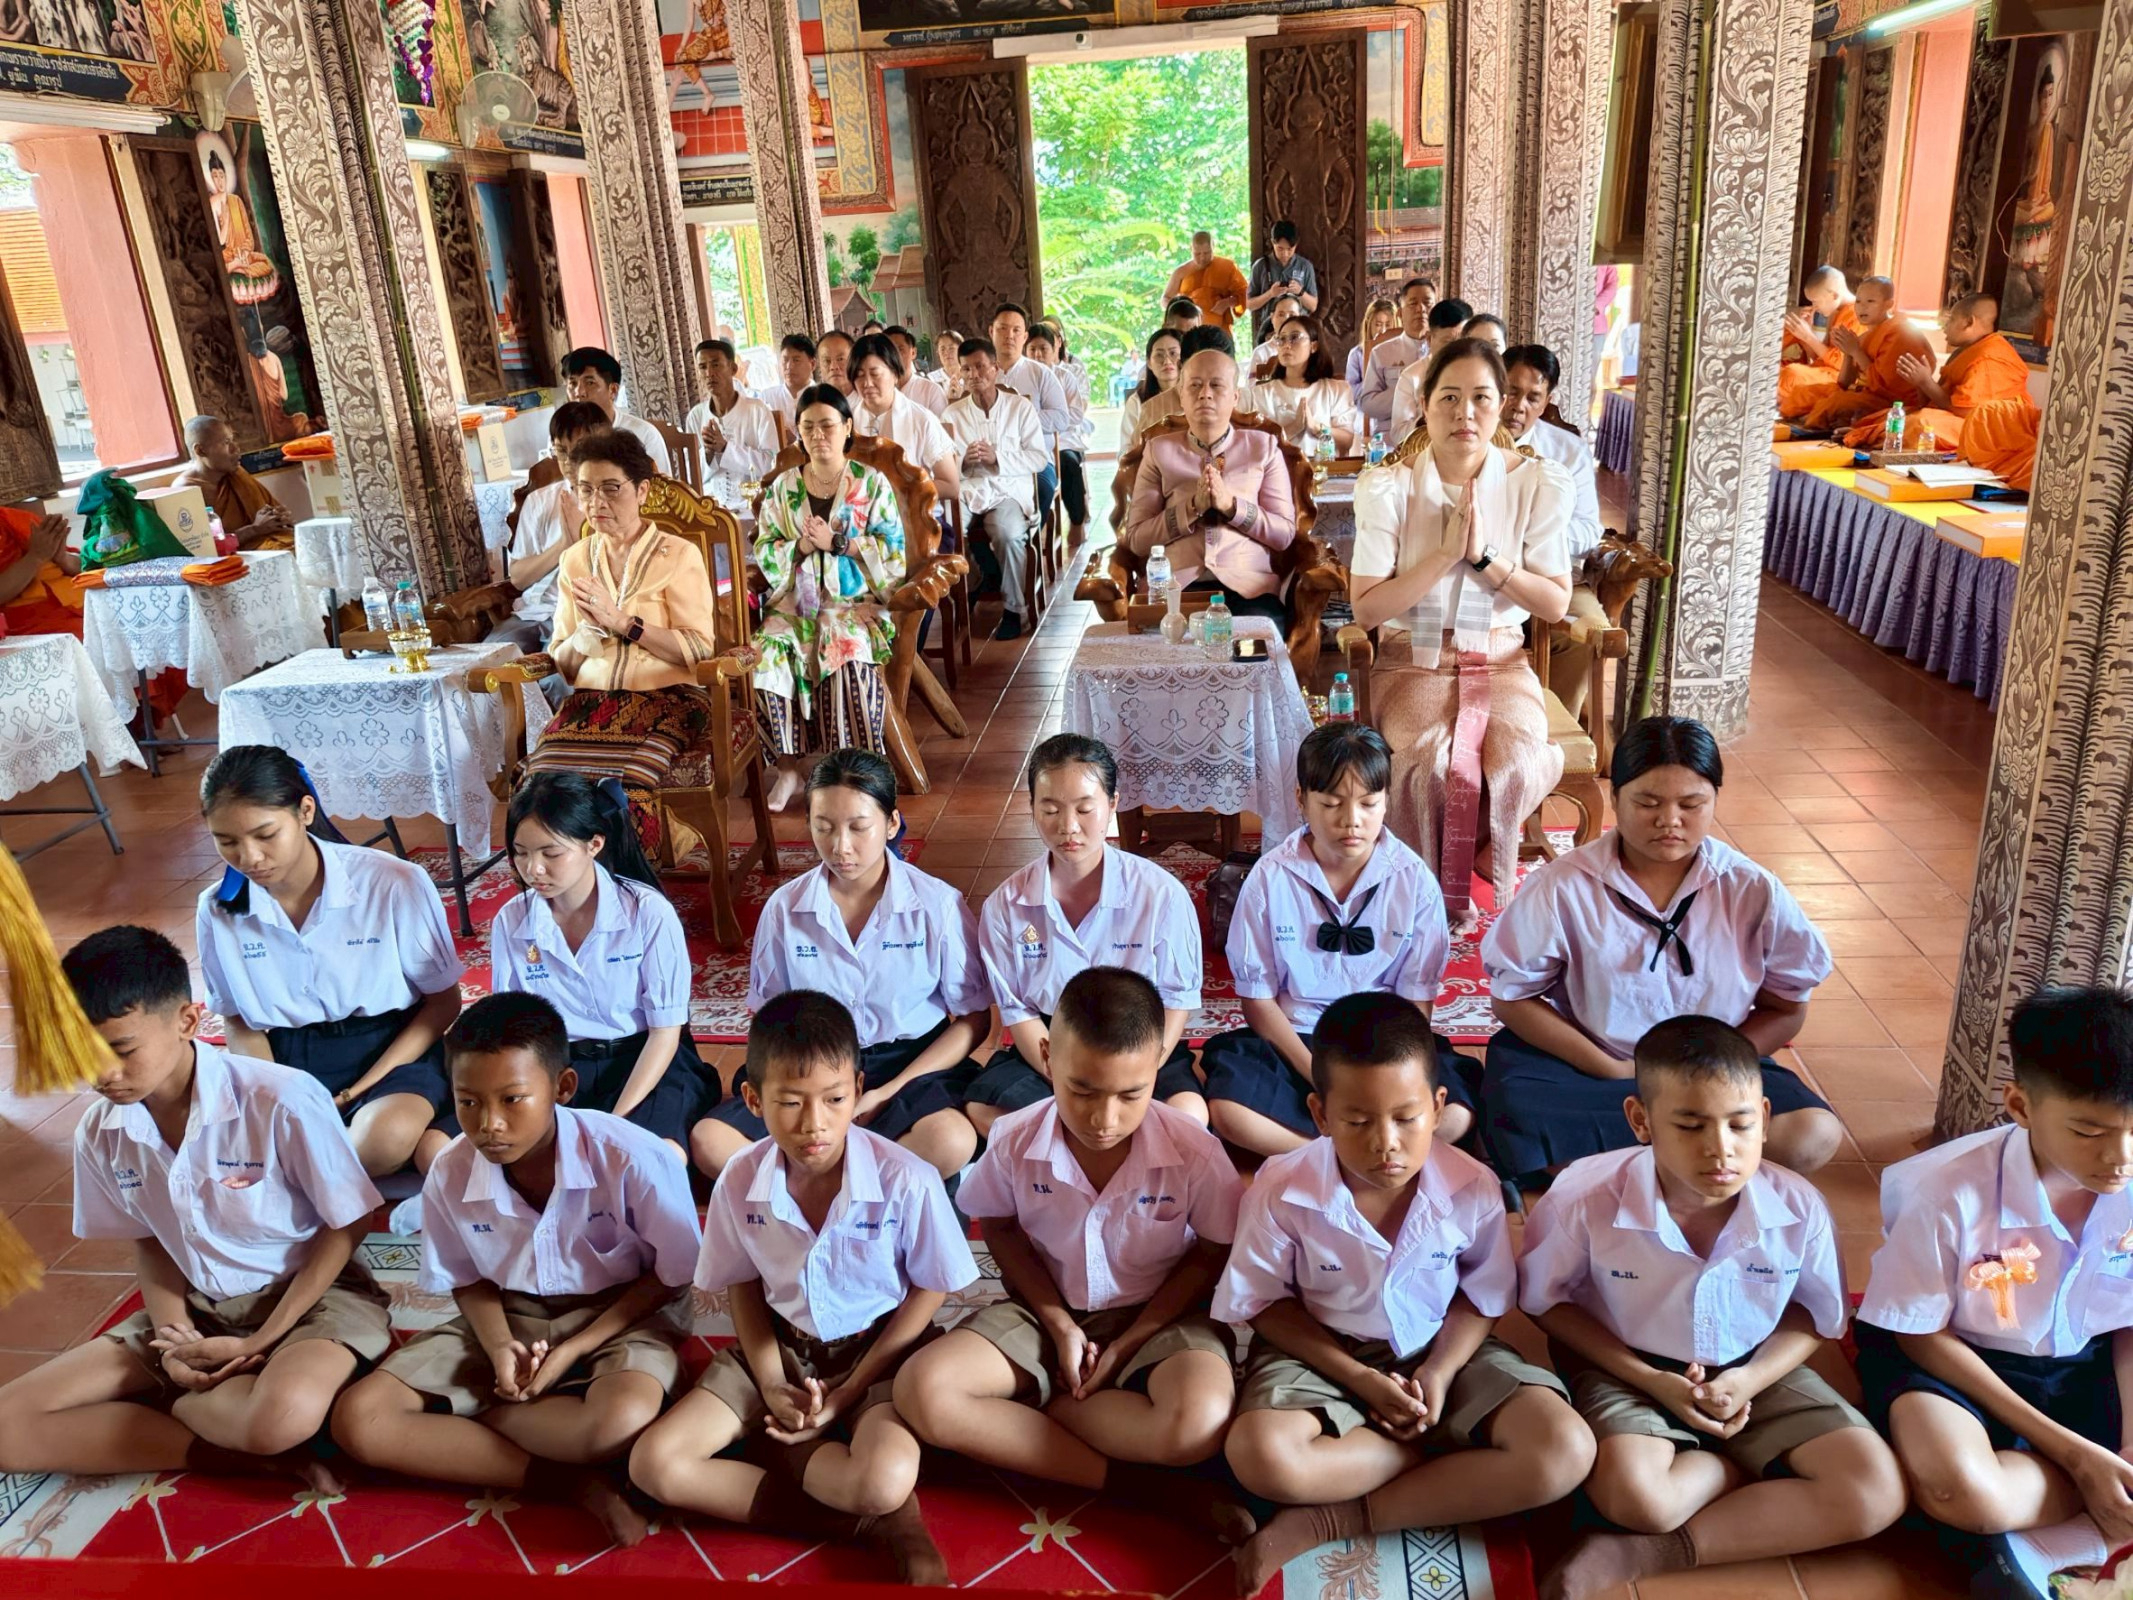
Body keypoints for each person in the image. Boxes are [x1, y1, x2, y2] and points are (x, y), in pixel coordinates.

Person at [1216, 993, 1594, 1597]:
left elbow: (1484, 1296)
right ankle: (1446, 1462)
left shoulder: (1473, 1185)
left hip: (1440, 1348)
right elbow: (1262, 1303)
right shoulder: (1280, 1188)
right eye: (1358, 1121)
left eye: (1406, 1118)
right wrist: (1361, 1380)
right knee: (1260, 1456)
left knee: (1565, 1450)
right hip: (1322, 1352)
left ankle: (1339, 1516)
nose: (1386, 1143)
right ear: (1320, 1114)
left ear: (1439, 1106)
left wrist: (1441, 1372)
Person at [1521, 1016, 1905, 1600]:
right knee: (1638, 1496)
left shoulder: (1798, 1207)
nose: (1720, 1149)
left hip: (1754, 1365)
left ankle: (1653, 1550)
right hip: (1625, 1363)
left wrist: (1750, 1379)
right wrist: (1650, 1378)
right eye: (1691, 1125)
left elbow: (1816, 1317)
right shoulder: (1583, 1197)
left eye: (1740, 1124)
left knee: (1876, 1491)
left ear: (1766, 1120)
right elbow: (1548, 1305)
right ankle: (1745, 1467)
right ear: (1640, 1120)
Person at [0, 926, 390, 1488]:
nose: (101, 1073)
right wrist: (174, 1338)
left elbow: (349, 1223)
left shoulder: (278, 1098)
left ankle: (188, 1409)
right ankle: (221, 1448)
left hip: (312, 1297)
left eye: (122, 1049)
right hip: (201, 1306)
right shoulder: (102, 1131)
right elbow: (151, 1238)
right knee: (9, 1427)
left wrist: (260, 1339)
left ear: (187, 1021)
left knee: (282, 1413)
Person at [628, 990, 977, 1583]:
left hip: (878, 1351)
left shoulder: (906, 1177)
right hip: (781, 1349)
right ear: (751, 1098)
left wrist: (846, 1394)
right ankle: (865, 1525)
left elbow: (929, 1291)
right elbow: (740, 1284)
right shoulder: (740, 1177)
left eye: (835, 1099)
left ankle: (807, 1467)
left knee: (881, 1477)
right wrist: (768, 1382)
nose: (814, 1124)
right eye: (789, 1102)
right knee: (654, 1464)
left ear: (858, 1090)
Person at [329, 993, 700, 1548]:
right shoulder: (452, 1170)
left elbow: (673, 1274)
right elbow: (466, 1278)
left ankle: (469, 1424)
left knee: (616, 1422)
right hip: (512, 1311)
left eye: (513, 1099)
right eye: (468, 1103)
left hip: (622, 1313)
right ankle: (569, 1480)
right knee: (360, 1419)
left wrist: (576, 1348)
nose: (489, 1124)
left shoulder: (632, 1157)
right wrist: (499, 1345)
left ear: (563, 1088)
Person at [894, 967, 1251, 1540]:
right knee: (922, 1390)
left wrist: (1134, 1337)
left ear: (1159, 1062)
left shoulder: (1194, 1151)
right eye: (1082, 1089)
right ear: (1046, 1057)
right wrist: (1058, 1324)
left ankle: (1033, 1421)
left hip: (1160, 1317)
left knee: (1200, 1423)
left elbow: (1211, 1253)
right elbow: (1001, 1227)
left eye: (1130, 1094)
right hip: (1043, 1311)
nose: (1103, 1119)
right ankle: (1139, 1485)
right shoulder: (1013, 1136)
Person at [1479, 716, 1844, 1182]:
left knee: (1812, 1133)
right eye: (1647, 802)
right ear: (1615, 798)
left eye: (1691, 804)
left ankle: (1626, 1168)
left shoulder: (1751, 888)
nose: (1669, 821)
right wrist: (1612, 1069)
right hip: (1593, 1068)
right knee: (1521, 1115)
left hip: (1711, 1071)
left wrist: (1715, 1071)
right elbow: (1513, 998)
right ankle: (1693, 1163)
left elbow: (1788, 1006)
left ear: (1715, 801)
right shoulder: (1563, 885)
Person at [1853, 987, 2133, 1582]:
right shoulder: (1944, 1191)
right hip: (1960, 1360)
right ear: (2021, 1106)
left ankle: (2068, 1537)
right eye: (2089, 1132)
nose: (2119, 1158)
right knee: (1961, 1488)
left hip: (2088, 1360)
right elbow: (1924, 1336)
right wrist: (2076, 1454)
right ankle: (2088, 1516)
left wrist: (2129, 1442)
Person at [1350, 337, 1573, 924]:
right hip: (1410, 661)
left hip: (1501, 660)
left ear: (1503, 406)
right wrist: (1444, 555)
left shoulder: (1537, 483)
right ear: (1425, 404)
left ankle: (1475, 854)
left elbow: (1553, 603)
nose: (1464, 413)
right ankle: (1430, 895)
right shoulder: (1389, 486)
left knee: (1513, 760)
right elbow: (1368, 611)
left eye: (1480, 397)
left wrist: (1486, 559)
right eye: (1449, 397)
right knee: (1431, 763)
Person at [694, 749, 987, 1182]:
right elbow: (770, 1017)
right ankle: (861, 1189)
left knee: (951, 1139)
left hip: (910, 1067)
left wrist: (884, 1093)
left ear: (890, 824)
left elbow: (974, 1018)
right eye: (824, 827)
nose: (840, 846)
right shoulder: (785, 908)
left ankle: (816, 1190)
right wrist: (816, 1097)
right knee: (709, 1140)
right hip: (809, 1066)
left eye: (858, 827)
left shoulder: (936, 905)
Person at [1197, 722, 1477, 1157]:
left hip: (1386, 1041)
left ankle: (1329, 1151)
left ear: (1386, 801)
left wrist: (1381, 1078)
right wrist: (1321, 1075)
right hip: (1296, 1038)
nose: (1352, 820)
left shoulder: (1414, 880)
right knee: (1230, 1111)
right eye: (1331, 803)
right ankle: (1350, 1156)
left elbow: (1416, 1000)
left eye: (1369, 803)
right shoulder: (1270, 877)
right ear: (1301, 799)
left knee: (1455, 1115)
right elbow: (1258, 1000)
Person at [195, 746, 463, 1175]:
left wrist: (359, 1089)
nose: (249, 859)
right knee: (226, 1154)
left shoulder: (392, 883)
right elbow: (239, 1020)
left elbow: (443, 1003)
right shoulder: (217, 907)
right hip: (285, 1057)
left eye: (265, 835)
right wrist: (278, 1096)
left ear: (305, 811)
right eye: (226, 841)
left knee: (377, 1144)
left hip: (391, 1047)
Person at [966, 734, 1208, 1136]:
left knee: (1189, 1116)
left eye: (1084, 808)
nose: (1068, 827)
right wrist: (1069, 1080)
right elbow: (1020, 1013)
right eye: (1049, 809)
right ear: (1031, 809)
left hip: (1140, 1047)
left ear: (1112, 804)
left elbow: (1176, 999)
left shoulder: (1161, 894)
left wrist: (1129, 1076)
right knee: (984, 1111)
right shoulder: (1005, 905)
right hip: (1049, 1049)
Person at [488, 772, 719, 1150]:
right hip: (559, 1070)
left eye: (551, 853)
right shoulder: (511, 920)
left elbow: (665, 1033)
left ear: (594, 844)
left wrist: (616, 1121)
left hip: (644, 1062)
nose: (533, 869)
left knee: (651, 1160)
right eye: (521, 852)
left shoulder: (647, 913)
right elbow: (514, 1029)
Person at [524, 430, 721, 858]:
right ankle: (574, 890)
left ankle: (635, 897)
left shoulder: (679, 554)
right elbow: (561, 660)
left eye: (611, 489)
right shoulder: (574, 559)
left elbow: (699, 649)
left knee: (625, 784)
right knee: (541, 784)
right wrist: (587, 633)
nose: (596, 502)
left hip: (670, 698)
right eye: (585, 490)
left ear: (642, 490)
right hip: (593, 703)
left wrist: (624, 624)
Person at [752, 384, 906, 804]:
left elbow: (893, 551)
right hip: (794, 606)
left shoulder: (869, 483)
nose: (818, 435)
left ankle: (851, 774)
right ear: (798, 432)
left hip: (852, 606)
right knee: (762, 657)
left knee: (846, 657)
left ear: (847, 427)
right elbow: (764, 547)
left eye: (827, 426)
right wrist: (801, 546)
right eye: (808, 427)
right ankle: (787, 769)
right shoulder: (784, 487)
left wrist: (837, 544)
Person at [1121, 327, 1297, 627]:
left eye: (1216, 385)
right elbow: (1137, 539)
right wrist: (1191, 508)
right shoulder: (1158, 451)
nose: (1205, 394)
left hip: (1249, 590)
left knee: (1253, 658)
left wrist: (1232, 507)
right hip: (1175, 591)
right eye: (1195, 386)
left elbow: (1283, 534)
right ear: (1181, 394)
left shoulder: (1263, 448)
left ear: (1235, 397)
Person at [1500, 344, 1607, 717]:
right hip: (1482, 574)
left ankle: (1553, 733)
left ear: (1545, 403)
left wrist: (1535, 538)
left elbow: (1589, 529)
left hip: (1554, 574)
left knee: (1589, 633)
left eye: (1532, 397)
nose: (1518, 406)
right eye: (1511, 391)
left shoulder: (1568, 449)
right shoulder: (1469, 438)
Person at [943, 335, 1049, 641]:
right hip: (967, 488)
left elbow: (1039, 458)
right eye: (966, 369)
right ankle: (973, 582)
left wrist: (997, 458)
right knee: (944, 530)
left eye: (980, 367)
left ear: (996, 368)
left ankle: (1016, 609)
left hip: (1007, 488)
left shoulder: (1020, 408)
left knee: (1007, 533)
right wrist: (963, 461)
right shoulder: (951, 414)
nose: (974, 375)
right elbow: (943, 462)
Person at [490, 401, 601, 654]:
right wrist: (563, 546)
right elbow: (518, 578)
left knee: (560, 676)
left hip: (585, 615)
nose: (570, 461)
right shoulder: (540, 501)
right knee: (492, 660)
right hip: (534, 613)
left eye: (580, 450)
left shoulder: (612, 500)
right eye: (561, 451)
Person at [1861, 291, 2034, 452]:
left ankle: (1868, 437)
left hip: (1989, 431)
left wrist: (1926, 382)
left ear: (1968, 322)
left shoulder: (1989, 357)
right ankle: (1864, 435)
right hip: (1959, 420)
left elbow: (1966, 412)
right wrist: (1921, 384)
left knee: (1922, 423)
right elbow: (1930, 403)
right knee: (1896, 413)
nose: (1944, 326)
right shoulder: (1964, 351)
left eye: (1951, 319)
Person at [1800, 276, 1931, 436]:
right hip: (1867, 395)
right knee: (1816, 396)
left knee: (1834, 405)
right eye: (1859, 302)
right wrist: (1848, 353)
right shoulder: (1864, 337)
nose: (1862, 308)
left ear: (1888, 304)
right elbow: (1844, 382)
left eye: (1870, 302)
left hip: (1895, 403)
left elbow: (1883, 386)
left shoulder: (1901, 334)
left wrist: (1856, 352)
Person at [849, 331, 960, 501]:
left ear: (894, 373)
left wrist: (904, 489)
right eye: (859, 375)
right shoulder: (846, 422)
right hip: (860, 517)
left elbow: (950, 485)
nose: (867, 383)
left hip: (914, 514)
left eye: (875, 374)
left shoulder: (921, 419)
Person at [990, 302, 1069, 534]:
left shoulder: (1040, 373)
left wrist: (1023, 418)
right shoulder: (982, 374)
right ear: (991, 332)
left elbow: (1062, 418)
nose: (1009, 336)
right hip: (991, 461)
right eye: (1003, 329)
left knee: (1043, 488)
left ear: (1024, 336)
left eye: (1016, 330)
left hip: (1035, 461)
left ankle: (1027, 543)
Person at [1244, 311, 1360, 453]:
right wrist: (1293, 428)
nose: (1286, 345)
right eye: (1281, 339)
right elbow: (1256, 445)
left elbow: (1346, 442)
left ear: (1314, 346)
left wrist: (1317, 428)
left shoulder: (1336, 389)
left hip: (1327, 471)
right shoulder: (1261, 394)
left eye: (1294, 338)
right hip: (1279, 473)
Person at [173, 414, 294, 549]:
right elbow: (201, 548)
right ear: (200, 450)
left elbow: (271, 512)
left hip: (273, 545)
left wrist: (279, 519)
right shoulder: (186, 491)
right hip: (235, 561)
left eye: (232, 440)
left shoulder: (236, 474)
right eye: (226, 443)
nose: (235, 448)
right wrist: (254, 530)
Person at [683, 337, 779, 499]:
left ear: (733, 368)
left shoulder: (758, 411)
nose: (709, 373)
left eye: (715, 365)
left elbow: (771, 465)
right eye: (702, 367)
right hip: (711, 506)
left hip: (753, 503)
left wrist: (725, 448)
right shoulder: (696, 416)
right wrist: (708, 454)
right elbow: (690, 475)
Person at [562, 346, 673, 475]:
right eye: (572, 384)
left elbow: (661, 490)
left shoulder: (644, 435)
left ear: (613, 390)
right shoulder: (563, 434)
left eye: (590, 383)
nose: (579, 392)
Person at [1386, 298, 1482, 442]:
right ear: (1429, 339)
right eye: (1448, 343)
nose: (1457, 350)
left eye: (1463, 341)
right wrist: (1429, 417)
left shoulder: (1481, 375)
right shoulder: (1411, 377)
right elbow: (1398, 435)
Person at [1026, 322, 1089, 540]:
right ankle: (1029, 534)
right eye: (1032, 349)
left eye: (1043, 349)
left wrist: (1046, 422)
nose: (1038, 354)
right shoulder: (1022, 378)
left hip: (1064, 441)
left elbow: (1075, 414)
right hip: (1029, 445)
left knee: (1069, 464)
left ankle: (1077, 520)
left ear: (1055, 350)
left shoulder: (1065, 377)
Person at [1774, 266, 1858, 422]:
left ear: (1833, 295)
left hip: (1840, 379)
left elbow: (1841, 366)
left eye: (1816, 301)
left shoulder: (1857, 315)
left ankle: (1775, 407)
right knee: (1778, 370)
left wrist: (1809, 336)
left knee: (1791, 373)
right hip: (1823, 371)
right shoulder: (1837, 313)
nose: (1814, 307)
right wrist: (1805, 335)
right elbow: (1819, 357)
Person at [1358, 277, 1436, 430]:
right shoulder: (1381, 353)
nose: (1421, 309)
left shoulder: (1447, 352)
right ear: (1400, 313)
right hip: (1391, 439)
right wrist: (1406, 391)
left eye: (1428, 303)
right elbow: (1367, 404)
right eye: (1413, 303)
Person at [1246, 219, 1320, 345]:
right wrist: (1270, 294)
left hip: (1299, 333)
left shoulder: (1305, 266)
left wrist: (1300, 292)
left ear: (1296, 245)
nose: (1285, 253)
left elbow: (1313, 306)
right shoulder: (1261, 266)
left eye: (1290, 249)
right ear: (1272, 243)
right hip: (1270, 332)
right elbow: (1249, 304)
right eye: (1280, 248)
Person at [1163, 231, 1250, 330]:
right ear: (1190, 249)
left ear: (1213, 247)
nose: (1202, 257)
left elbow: (1245, 293)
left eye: (1207, 253)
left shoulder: (1227, 267)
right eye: (1197, 254)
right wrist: (1180, 312)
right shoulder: (1181, 272)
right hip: (1189, 329)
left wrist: (1227, 302)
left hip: (1219, 329)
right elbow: (1166, 299)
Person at [1120, 326, 1184, 449]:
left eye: (1173, 353)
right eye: (1159, 355)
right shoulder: (1138, 401)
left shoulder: (1195, 397)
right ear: (1149, 362)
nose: (1167, 361)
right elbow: (1125, 448)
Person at [754, 332, 820, 431]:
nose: (789, 366)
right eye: (785, 360)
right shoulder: (767, 398)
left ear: (813, 364)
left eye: (796, 360)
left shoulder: (824, 397)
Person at [886, 324, 948, 415]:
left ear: (913, 353)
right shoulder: (877, 393)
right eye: (888, 351)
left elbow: (942, 427)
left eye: (900, 349)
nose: (894, 355)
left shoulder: (932, 391)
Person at [1346, 295, 1399, 401]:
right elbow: (1351, 391)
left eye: (1388, 325)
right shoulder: (1357, 354)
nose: (1383, 331)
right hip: (1366, 411)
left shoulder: (1403, 351)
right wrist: (1377, 385)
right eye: (1378, 325)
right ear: (1368, 326)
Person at [1247, 295, 1307, 374]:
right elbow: (1251, 385)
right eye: (1281, 314)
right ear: (1272, 318)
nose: (1286, 319)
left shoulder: (1307, 350)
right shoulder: (1261, 353)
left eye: (1292, 315)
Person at [816, 328, 856, 397]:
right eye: (827, 361)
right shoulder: (814, 403)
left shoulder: (869, 401)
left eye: (840, 359)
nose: (833, 367)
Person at [930, 329, 966, 402]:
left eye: (951, 348)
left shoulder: (971, 377)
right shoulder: (930, 380)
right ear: (938, 352)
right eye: (942, 349)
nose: (946, 353)